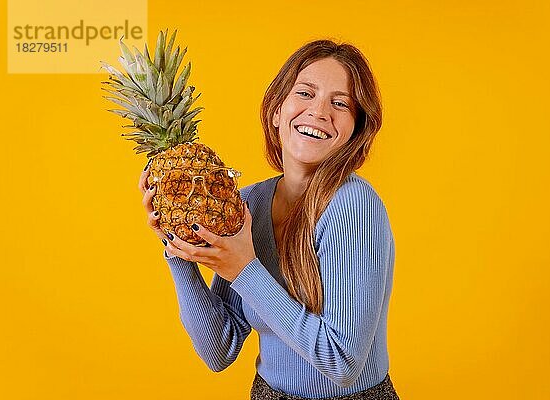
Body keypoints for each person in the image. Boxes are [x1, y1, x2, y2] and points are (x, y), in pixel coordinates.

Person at [138, 39, 399, 400]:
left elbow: (343, 362)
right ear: (277, 111)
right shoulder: (250, 204)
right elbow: (218, 350)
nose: (319, 111)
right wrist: (178, 248)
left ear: (355, 129)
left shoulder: (353, 206)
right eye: (305, 93)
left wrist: (243, 268)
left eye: (340, 103)